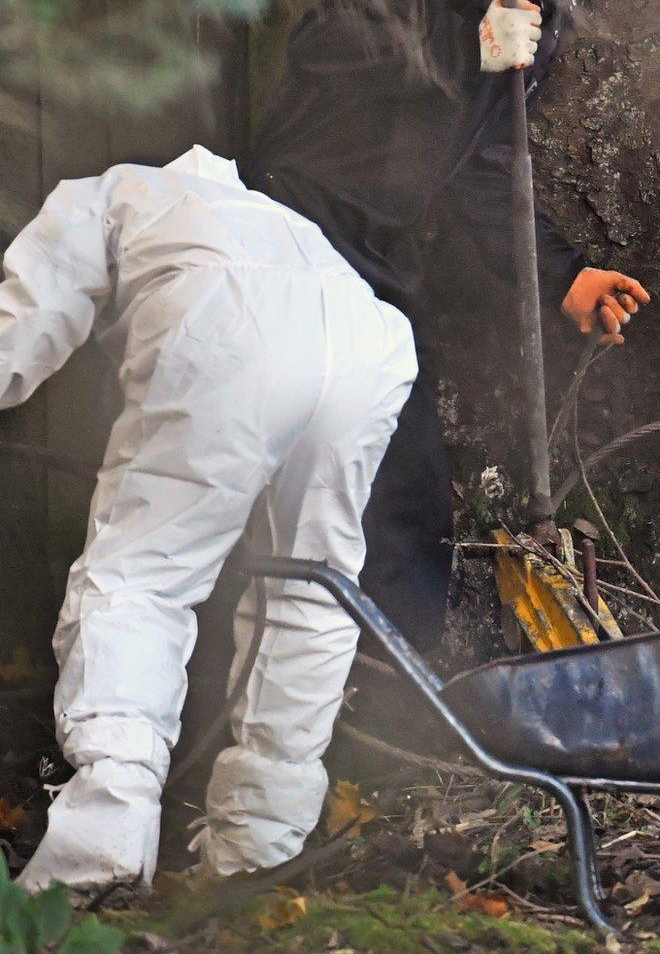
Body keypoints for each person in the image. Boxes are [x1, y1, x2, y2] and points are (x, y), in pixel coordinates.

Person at [246, 0, 660, 649]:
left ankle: (395, 688)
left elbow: (483, 166)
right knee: (336, 459)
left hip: (383, 247)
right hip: (302, 222)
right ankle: (357, 681)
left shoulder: (543, 15)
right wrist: (465, 48)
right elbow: (324, 44)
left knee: (405, 472)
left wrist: (566, 276)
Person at [6, 147, 416, 892]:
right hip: (369, 338)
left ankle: (102, 848)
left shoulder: (114, 191)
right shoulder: (276, 217)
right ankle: (260, 852)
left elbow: (19, 326)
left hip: (229, 325)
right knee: (310, 591)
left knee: (140, 579)